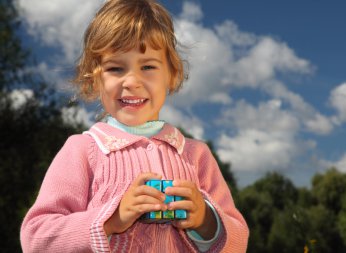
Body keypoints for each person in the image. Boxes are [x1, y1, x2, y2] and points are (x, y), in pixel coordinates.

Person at [20, 0, 249, 252]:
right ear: (95, 79)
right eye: (116, 68)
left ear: (172, 74)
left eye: (148, 66)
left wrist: (206, 220)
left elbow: (239, 240)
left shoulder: (197, 156)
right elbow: (36, 238)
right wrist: (111, 220)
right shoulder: (82, 150)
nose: (132, 81)